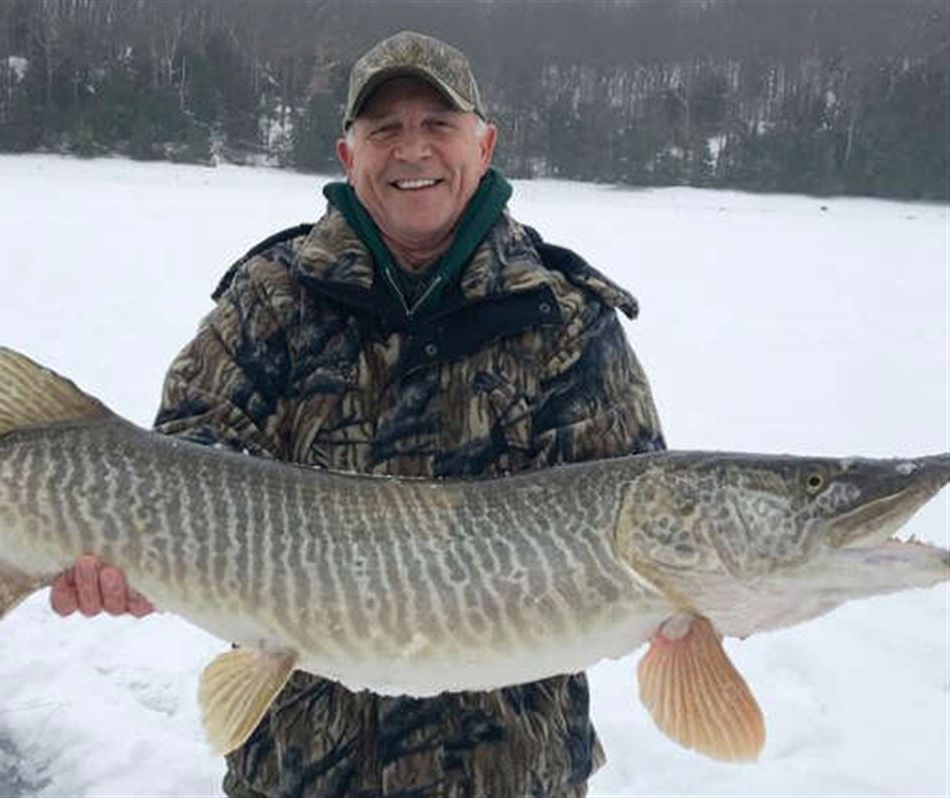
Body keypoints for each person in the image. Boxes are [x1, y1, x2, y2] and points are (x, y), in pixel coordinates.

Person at [51, 30, 665, 798]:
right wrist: (142, 559)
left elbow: (627, 513)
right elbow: (192, 449)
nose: (413, 152)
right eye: (385, 130)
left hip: (507, 775)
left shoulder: (564, 318)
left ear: (485, 144)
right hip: (297, 769)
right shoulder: (272, 296)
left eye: (438, 125)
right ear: (349, 156)